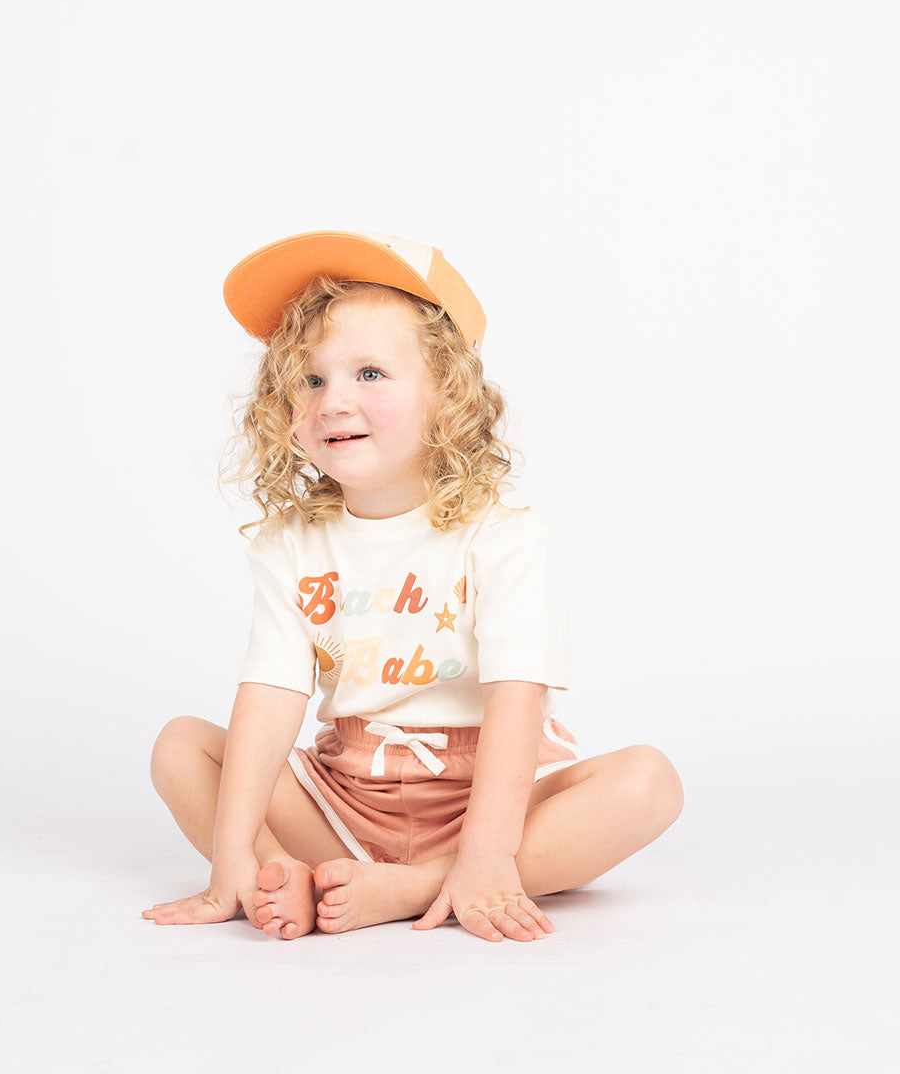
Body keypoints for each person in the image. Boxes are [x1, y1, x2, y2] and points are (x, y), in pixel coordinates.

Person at [142, 229, 683, 943]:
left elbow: (517, 695)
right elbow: (271, 698)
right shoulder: (290, 544)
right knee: (182, 747)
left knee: (648, 782)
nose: (333, 401)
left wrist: (488, 852)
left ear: (447, 396)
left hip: (484, 798)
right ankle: (271, 875)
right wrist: (233, 850)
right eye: (311, 380)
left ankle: (420, 886)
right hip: (343, 797)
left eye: (369, 374)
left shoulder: (503, 532)